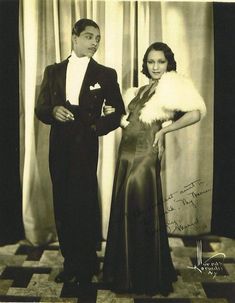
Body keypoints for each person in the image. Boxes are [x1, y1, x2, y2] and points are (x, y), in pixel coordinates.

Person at [103, 42, 206, 296]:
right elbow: (130, 120)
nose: (156, 66)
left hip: (145, 153)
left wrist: (165, 130)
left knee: (137, 204)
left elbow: (196, 112)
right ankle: (124, 270)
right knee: (126, 205)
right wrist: (117, 116)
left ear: (168, 63)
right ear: (145, 65)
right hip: (126, 153)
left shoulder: (173, 87)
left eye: (160, 61)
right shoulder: (141, 90)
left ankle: (142, 274)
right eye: (151, 62)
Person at [35, 18, 125, 292]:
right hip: (59, 144)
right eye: (88, 36)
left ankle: (87, 263)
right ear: (74, 38)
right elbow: (40, 108)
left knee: (83, 201)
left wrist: (96, 126)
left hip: (85, 145)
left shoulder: (106, 74)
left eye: (97, 38)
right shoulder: (53, 71)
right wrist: (52, 112)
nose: (94, 42)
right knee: (62, 201)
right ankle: (70, 262)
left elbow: (118, 112)